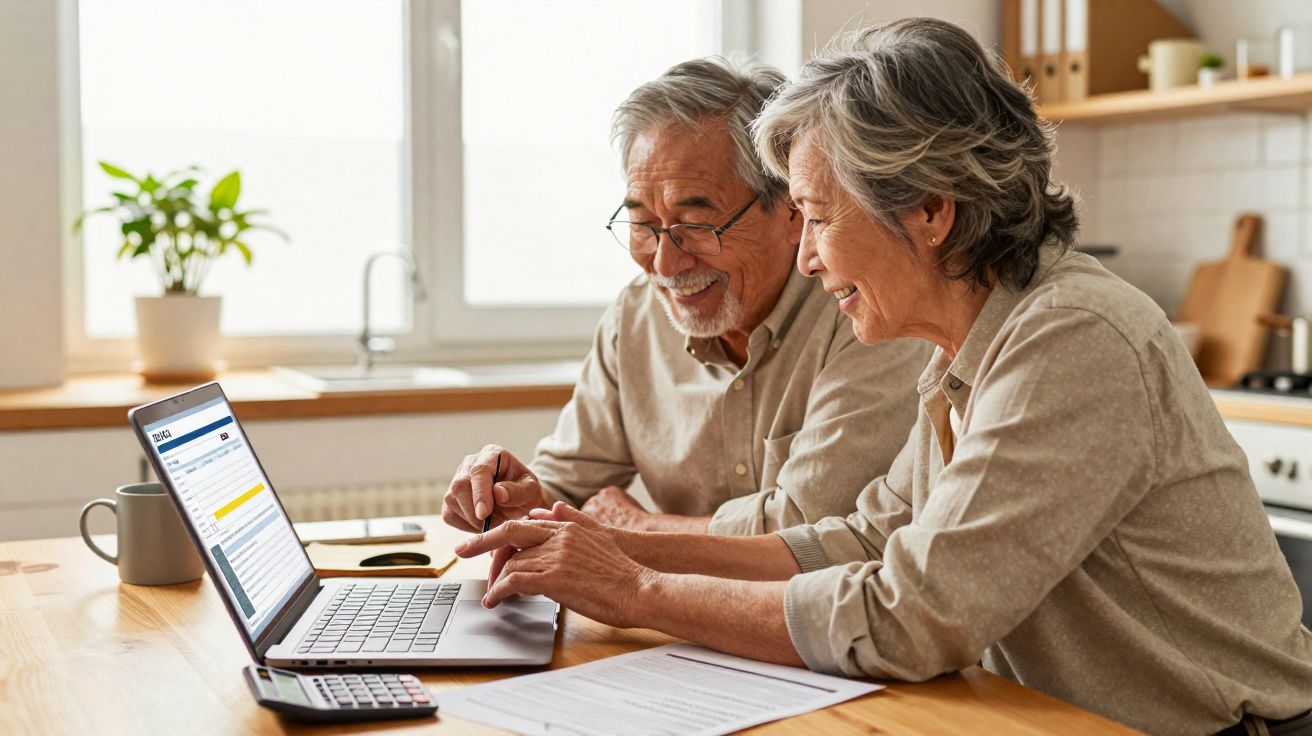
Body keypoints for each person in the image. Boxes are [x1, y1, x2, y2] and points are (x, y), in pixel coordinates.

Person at [454, 19, 1312, 735]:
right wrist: (610, 547)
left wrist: (635, 588)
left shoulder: (1072, 340)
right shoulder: (966, 342)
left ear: (931, 211)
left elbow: (911, 613)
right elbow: (863, 539)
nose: (807, 257)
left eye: (820, 218)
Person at [443, 57, 928, 536]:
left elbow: (810, 533)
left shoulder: (866, 311)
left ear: (791, 213)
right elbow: (568, 485)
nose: (663, 265)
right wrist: (516, 495)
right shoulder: (634, 318)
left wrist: (642, 530)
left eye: (696, 224)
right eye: (641, 224)